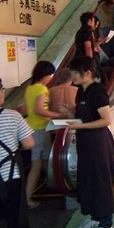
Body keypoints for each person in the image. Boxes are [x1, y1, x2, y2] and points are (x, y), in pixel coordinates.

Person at [67, 57, 114, 228]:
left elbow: (106, 120)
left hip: (99, 144)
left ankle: (106, 224)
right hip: (85, 143)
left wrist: (79, 126)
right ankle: (95, 218)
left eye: (74, 73)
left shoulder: (98, 92)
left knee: (101, 182)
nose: (71, 76)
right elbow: (84, 115)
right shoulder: (81, 91)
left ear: (87, 73)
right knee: (88, 181)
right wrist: (69, 114)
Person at [0, 76, 34, 228]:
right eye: (2, 90)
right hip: (10, 176)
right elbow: (29, 143)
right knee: (16, 220)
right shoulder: (12, 116)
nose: (3, 93)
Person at [24, 61, 66, 208]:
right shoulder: (42, 89)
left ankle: (50, 184)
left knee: (44, 162)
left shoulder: (30, 88)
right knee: (37, 165)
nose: (51, 78)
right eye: (50, 75)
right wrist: (57, 114)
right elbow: (39, 110)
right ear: (45, 75)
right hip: (39, 130)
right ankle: (27, 198)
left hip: (32, 129)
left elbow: (26, 109)